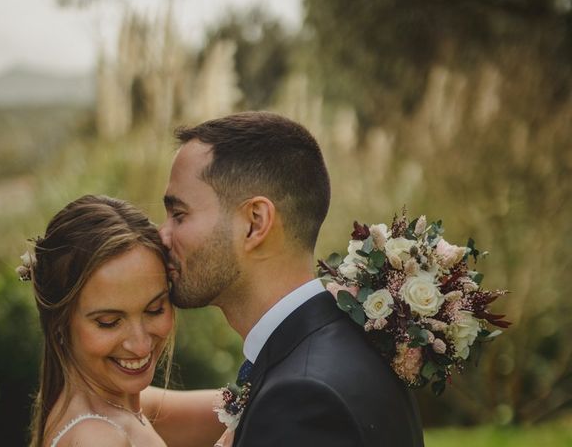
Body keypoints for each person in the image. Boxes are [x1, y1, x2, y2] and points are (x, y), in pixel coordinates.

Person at [159, 111, 425, 446]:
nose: (162, 234)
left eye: (179, 215)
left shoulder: (302, 398)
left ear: (255, 223)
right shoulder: (343, 345)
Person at [25, 195, 222, 447]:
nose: (140, 346)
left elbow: (248, 408)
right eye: (108, 322)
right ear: (60, 324)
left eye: (154, 309)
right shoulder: (98, 438)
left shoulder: (127, 405)